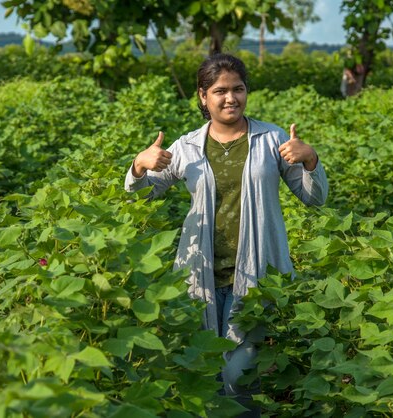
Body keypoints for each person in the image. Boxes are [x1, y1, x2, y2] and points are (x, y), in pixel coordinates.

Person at [125, 53, 328, 417]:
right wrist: (140, 166)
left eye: (238, 89)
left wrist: (310, 159)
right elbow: (141, 199)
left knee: (238, 379)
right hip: (197, 275)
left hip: (255, 275)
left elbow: (313, 197)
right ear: (203, 96)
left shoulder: (271, 139)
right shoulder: (187, 146)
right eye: (220, 90)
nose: (230, 98)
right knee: (204, 373)